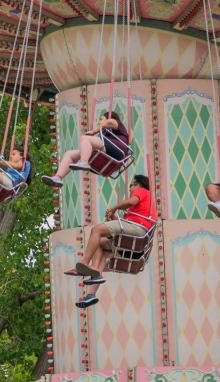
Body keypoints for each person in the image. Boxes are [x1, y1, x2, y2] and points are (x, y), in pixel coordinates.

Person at [72, 175, 156, 308]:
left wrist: (114, 208)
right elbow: (124, 225)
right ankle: (91, 293)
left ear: (137, 185)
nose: (130, 190)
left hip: (137, 228)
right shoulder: (143, 207)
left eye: (131, 186)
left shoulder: (142, 191)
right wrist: (113, 218)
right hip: (135, 232)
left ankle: (85, 263)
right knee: (99, 244)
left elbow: (131, 202)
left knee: (96, 230)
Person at [42, 111, 129, 188]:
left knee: (84, 138)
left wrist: (93, 132)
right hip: (108, 152)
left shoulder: (117, 124)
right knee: (69, 154)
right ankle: (58, 177)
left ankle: (84, 161)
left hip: (117, 149)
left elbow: (109, 122)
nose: (99, 122)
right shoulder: (105, 133)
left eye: (101, 119)